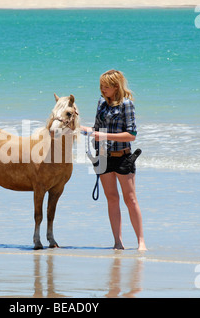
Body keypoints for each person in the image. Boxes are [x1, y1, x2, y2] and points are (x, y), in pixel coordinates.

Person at [81, 70, 147, 251]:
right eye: (101, 86)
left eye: (106, 86)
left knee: (130, 199)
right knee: (111, 199)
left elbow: (131, 135)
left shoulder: (127, 104)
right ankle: (117, 243)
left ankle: (141, 242)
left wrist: (103, 134)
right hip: (103, 157)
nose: (102, 90)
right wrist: (80, 128)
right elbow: (96, 128)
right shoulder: (101, 103)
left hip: (123, 157)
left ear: (116, 86)